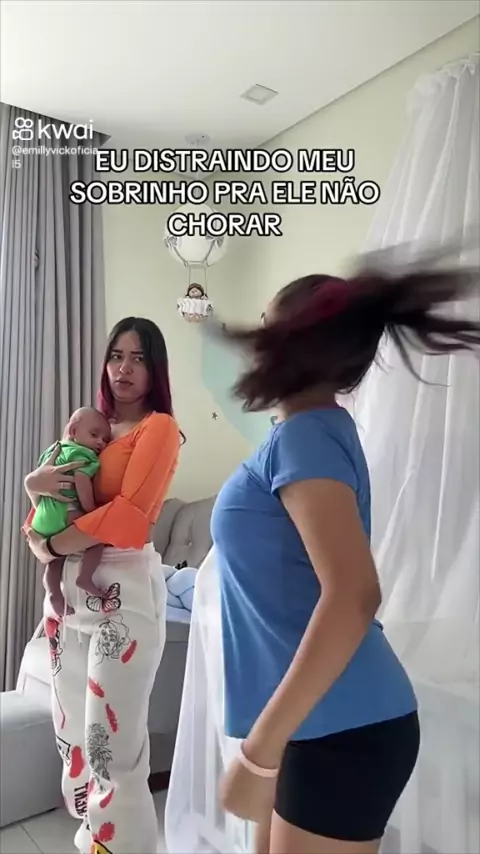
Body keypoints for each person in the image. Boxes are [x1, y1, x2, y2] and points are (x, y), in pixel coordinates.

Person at [212, 250, 480, 854]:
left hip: (343, 728)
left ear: (297, 343)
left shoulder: (307, 436)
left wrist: (258, 753)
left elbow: (355, 594)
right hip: (315, 722)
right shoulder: (311, 433)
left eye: (268, 323)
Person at [23, 317, 182, 854]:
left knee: (110, 742)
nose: (124, 368)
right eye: (116, 355)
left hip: (121, 590)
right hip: (67, 592)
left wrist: (50, 544)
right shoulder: (85, 431)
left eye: (138, 358)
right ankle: (91, 838)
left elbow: (130, 517)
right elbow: (39, 514)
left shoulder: (158, 428)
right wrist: (41, 537)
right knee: (72, 729)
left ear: (155, 368)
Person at [30, 407, 112, 618]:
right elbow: (81, 481)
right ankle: (85, 577)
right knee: (97, 538)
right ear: (74, 431)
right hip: (66, 512)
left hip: (42, 517)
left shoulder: (52, 450)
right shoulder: (83, 454)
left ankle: (54, 593)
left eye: (105, 439)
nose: (100, 442)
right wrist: (90, 510)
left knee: (55, 558)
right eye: (94, 435)